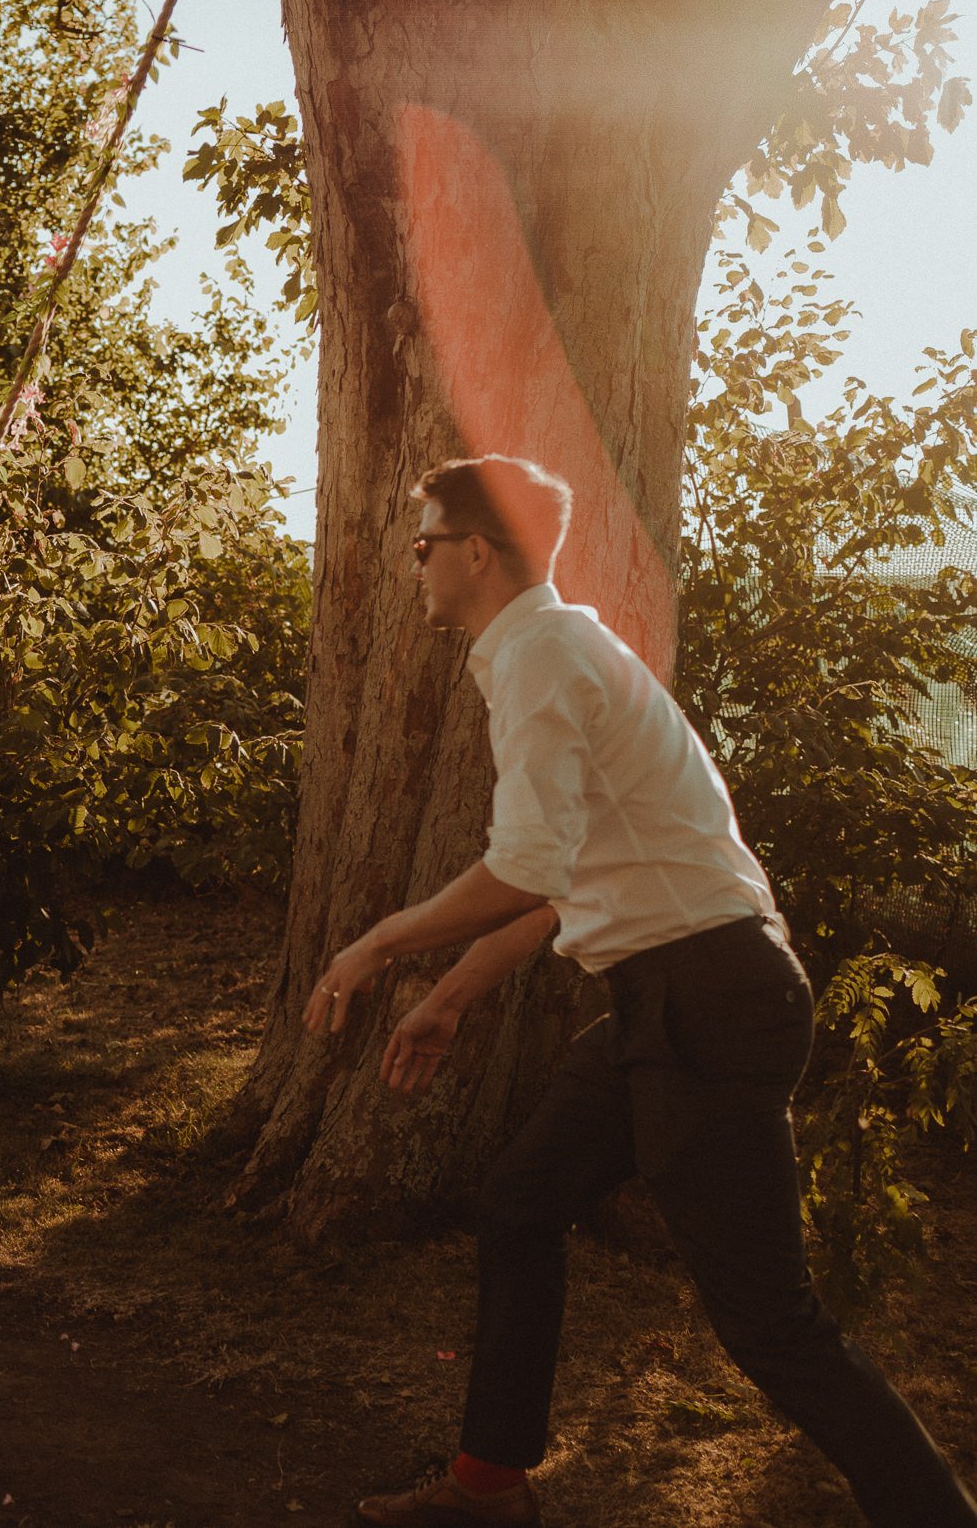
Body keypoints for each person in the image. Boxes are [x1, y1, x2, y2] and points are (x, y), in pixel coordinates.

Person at [311, 456, 977, 1528]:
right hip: (668, 996)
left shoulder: (539, 655)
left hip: (702, 1003)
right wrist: (453, 995)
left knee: (772, 1326)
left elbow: (526, 864)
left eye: (424, 539)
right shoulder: (553, 647)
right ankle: (488, 1487)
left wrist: (380, 945)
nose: (415, 560)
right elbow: (565, 870)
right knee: (520, 1203)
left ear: (476, 552)